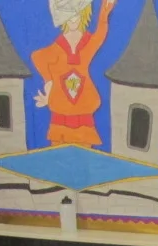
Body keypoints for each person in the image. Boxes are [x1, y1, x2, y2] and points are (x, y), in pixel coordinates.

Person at [32, 0, 115, 147]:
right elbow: (38, 57)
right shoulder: (57, 47)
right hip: (60, 115)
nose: (73, 20)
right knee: (59, 155)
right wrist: (49, 83)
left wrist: (104, 12)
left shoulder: (88, 43)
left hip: (84, 113)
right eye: (69, 15)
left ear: (83, 15)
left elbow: (101, 34)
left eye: (77, 14)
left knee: (84, 154)